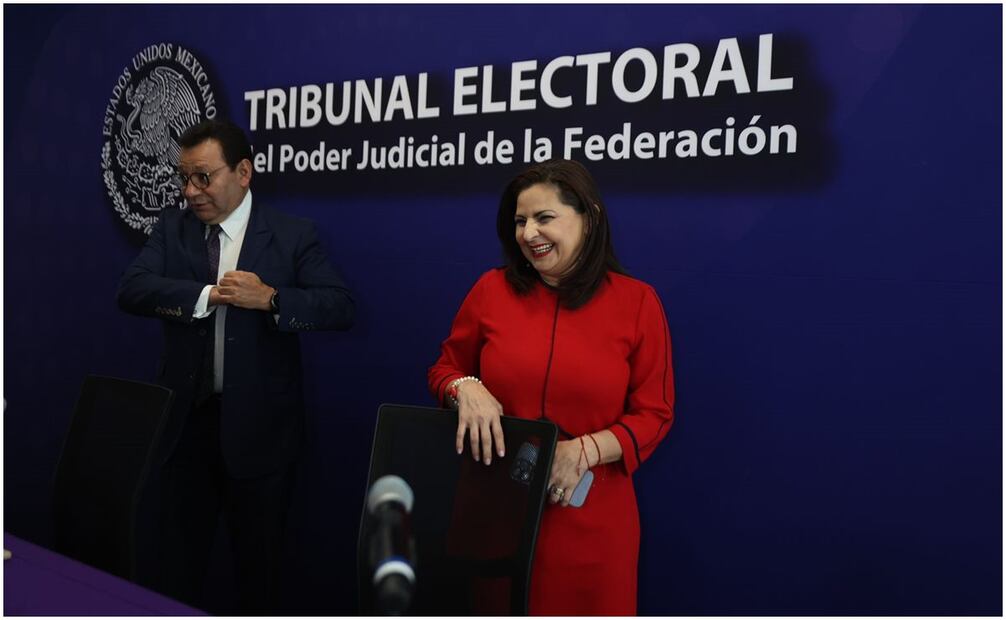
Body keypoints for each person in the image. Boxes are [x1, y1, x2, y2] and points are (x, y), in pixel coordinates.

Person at [117, 119, 354, 614]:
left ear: (243, 172)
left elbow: (338, 307)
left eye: (203, 177)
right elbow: (132, 290)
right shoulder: (173, 229)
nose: (190, 190)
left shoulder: (292, 235)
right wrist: (205, 295)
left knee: (258, 577)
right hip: (185, 429)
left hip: (262, 434)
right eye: (184, 178)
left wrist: (270, 299)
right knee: (173, 571)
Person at [428, 159, 674, 614]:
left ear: (589, 217)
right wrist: (466, 387)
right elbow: (445, 368)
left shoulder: (637, 302)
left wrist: (585, 451)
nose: (528, 233)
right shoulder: (490, 289)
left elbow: (654, 414)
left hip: (591, 520)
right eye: (520, 221)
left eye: (544, 218)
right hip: (495, 513)